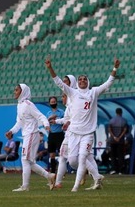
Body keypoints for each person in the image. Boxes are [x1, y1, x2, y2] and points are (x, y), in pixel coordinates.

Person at [46, 56, 120, 192]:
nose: (82, 81)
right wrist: (50, 67)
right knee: (72, 160)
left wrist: (115, 68)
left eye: (84, 79)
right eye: (80, 79)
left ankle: (75, 187)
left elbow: (108, 83)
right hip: (73, 132)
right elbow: (59, 83)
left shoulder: (94, 92)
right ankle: (97, 177)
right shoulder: (73, 93)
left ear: (88, 82)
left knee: (82, 159)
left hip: (87, 133)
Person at [6, 83, 55, 192]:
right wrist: (11, 131)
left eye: (17, 90)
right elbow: (19, 123)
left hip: (32, 134)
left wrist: (46, 125)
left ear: (23, 91)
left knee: (25, 160)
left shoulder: (28, 104)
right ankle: (49, 176)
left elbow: (40, 116)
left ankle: (25, 186)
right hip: (28, 135)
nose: (14, 92)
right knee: (30, 162)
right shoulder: (19, 105)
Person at [46, 96, 65, 173]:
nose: (53, 103)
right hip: (52, 135)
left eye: (54, 102)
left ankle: (62, 171)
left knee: (62, 154)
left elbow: (65, 121)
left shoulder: (61, 112)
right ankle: (53, 172)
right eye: (52, 102)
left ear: (56, 102)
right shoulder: (48, 113)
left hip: (59, 134)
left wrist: (57, 120)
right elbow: (46, 123)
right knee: (52, 155)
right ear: (49, 103)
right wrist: (50, 118)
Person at [108, 108, 128, 175]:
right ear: (121, 112)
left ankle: (113, 169)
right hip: (120, 141)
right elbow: (125, 130)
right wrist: (119, 137)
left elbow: (110, 130)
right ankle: (120, 171)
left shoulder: (111, 120)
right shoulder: (124, 120)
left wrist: (114, 137)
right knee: (120, 155)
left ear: (116, 112)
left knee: (113, 156)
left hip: (112, 140)